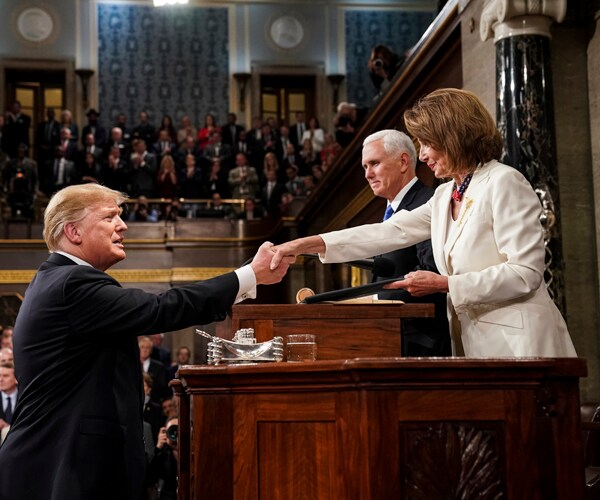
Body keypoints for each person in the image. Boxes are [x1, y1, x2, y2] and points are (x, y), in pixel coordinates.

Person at [0, 182, 292, 499]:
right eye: (110, 217)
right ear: (74, 232)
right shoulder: (72, 282)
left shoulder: (56, 280)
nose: (122, 225)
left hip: (57, 463)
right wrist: (250, 274)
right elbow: (160, 308)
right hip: (66, 470)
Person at [270, 88, 577, 358]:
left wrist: (445, 284)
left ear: (453, 135)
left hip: (525, 346)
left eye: (427, 142)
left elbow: (525, 274)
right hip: (476, 347)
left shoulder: (504, 181)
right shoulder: (446, 194)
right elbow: (387, 232)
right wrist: (305, 245)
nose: (423, 154)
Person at [361, 129, 450, 356]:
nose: (368, 174)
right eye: (365, 167)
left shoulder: (428, 202)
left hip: (423, 342)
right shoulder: (390, 210)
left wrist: (372, 302)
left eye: (374, 164)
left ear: (403, 162)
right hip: (394, 337)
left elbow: (431, 270)